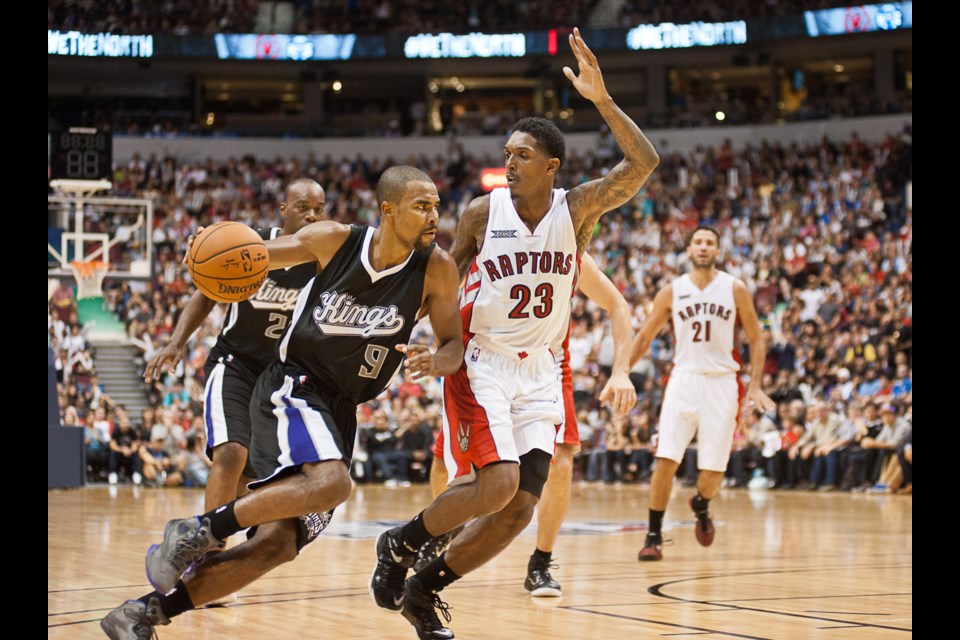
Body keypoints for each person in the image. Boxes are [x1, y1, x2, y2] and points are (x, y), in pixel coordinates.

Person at [369, 28, 659, 640]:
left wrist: (603, 101)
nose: (510, 160)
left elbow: (643, 165)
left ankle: (426, 588)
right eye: (507, 152)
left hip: (542, 369)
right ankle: (400, 543)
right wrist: (405, 332)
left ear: (551, 166)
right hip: (484, 362)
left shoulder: (575, 209)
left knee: (519, 507)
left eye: (522, 154)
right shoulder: (481, 213)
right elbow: (442, 281)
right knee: (494, 484)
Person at [100, 166, 464, 639]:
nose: (435, 215)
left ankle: (143, 613)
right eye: (422, 205)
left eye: (436, 205)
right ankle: (199, 529)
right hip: (294, 385)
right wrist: (204, 254)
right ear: (388, 210)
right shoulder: (335, 240)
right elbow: (251, 255)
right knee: (332, 483)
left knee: (276, 546)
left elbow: (453, 344)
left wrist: (438, 360)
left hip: (341, 410)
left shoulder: (437, 268)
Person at [410, 253, 636, 597]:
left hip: (546, 365)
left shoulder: (569, 247)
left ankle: (541, 561)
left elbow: (618, 305)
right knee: (446, 461)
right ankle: (439, 531)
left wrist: (620, 371)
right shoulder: (487, 232)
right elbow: (437, 290)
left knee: (560, 460)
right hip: (483, 361)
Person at [141, 178, 325, 563]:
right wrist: (176, 343)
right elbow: (205, 295)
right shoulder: (251, 247)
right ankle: (204, 559)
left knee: (250, 477)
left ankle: (205, 539)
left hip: (281, 377)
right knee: (229, 454)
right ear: (283, 210)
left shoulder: (327, 260)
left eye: (319, 209)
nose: (311, 215)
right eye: (303, 206)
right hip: (235, 364)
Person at [629, 225, 775, 561]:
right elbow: (644, 337)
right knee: (666, 458)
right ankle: (653, 535)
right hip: (684, 378)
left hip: (723, 383)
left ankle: (702, 503)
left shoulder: (735, 288)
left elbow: (756, 337)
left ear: (717, 250)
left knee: (713, 471)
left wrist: (754, 386)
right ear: (689, 249)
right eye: (698, 242)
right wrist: (621, 371)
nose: (704, 247)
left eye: (710, 242)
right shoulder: (672, 291)